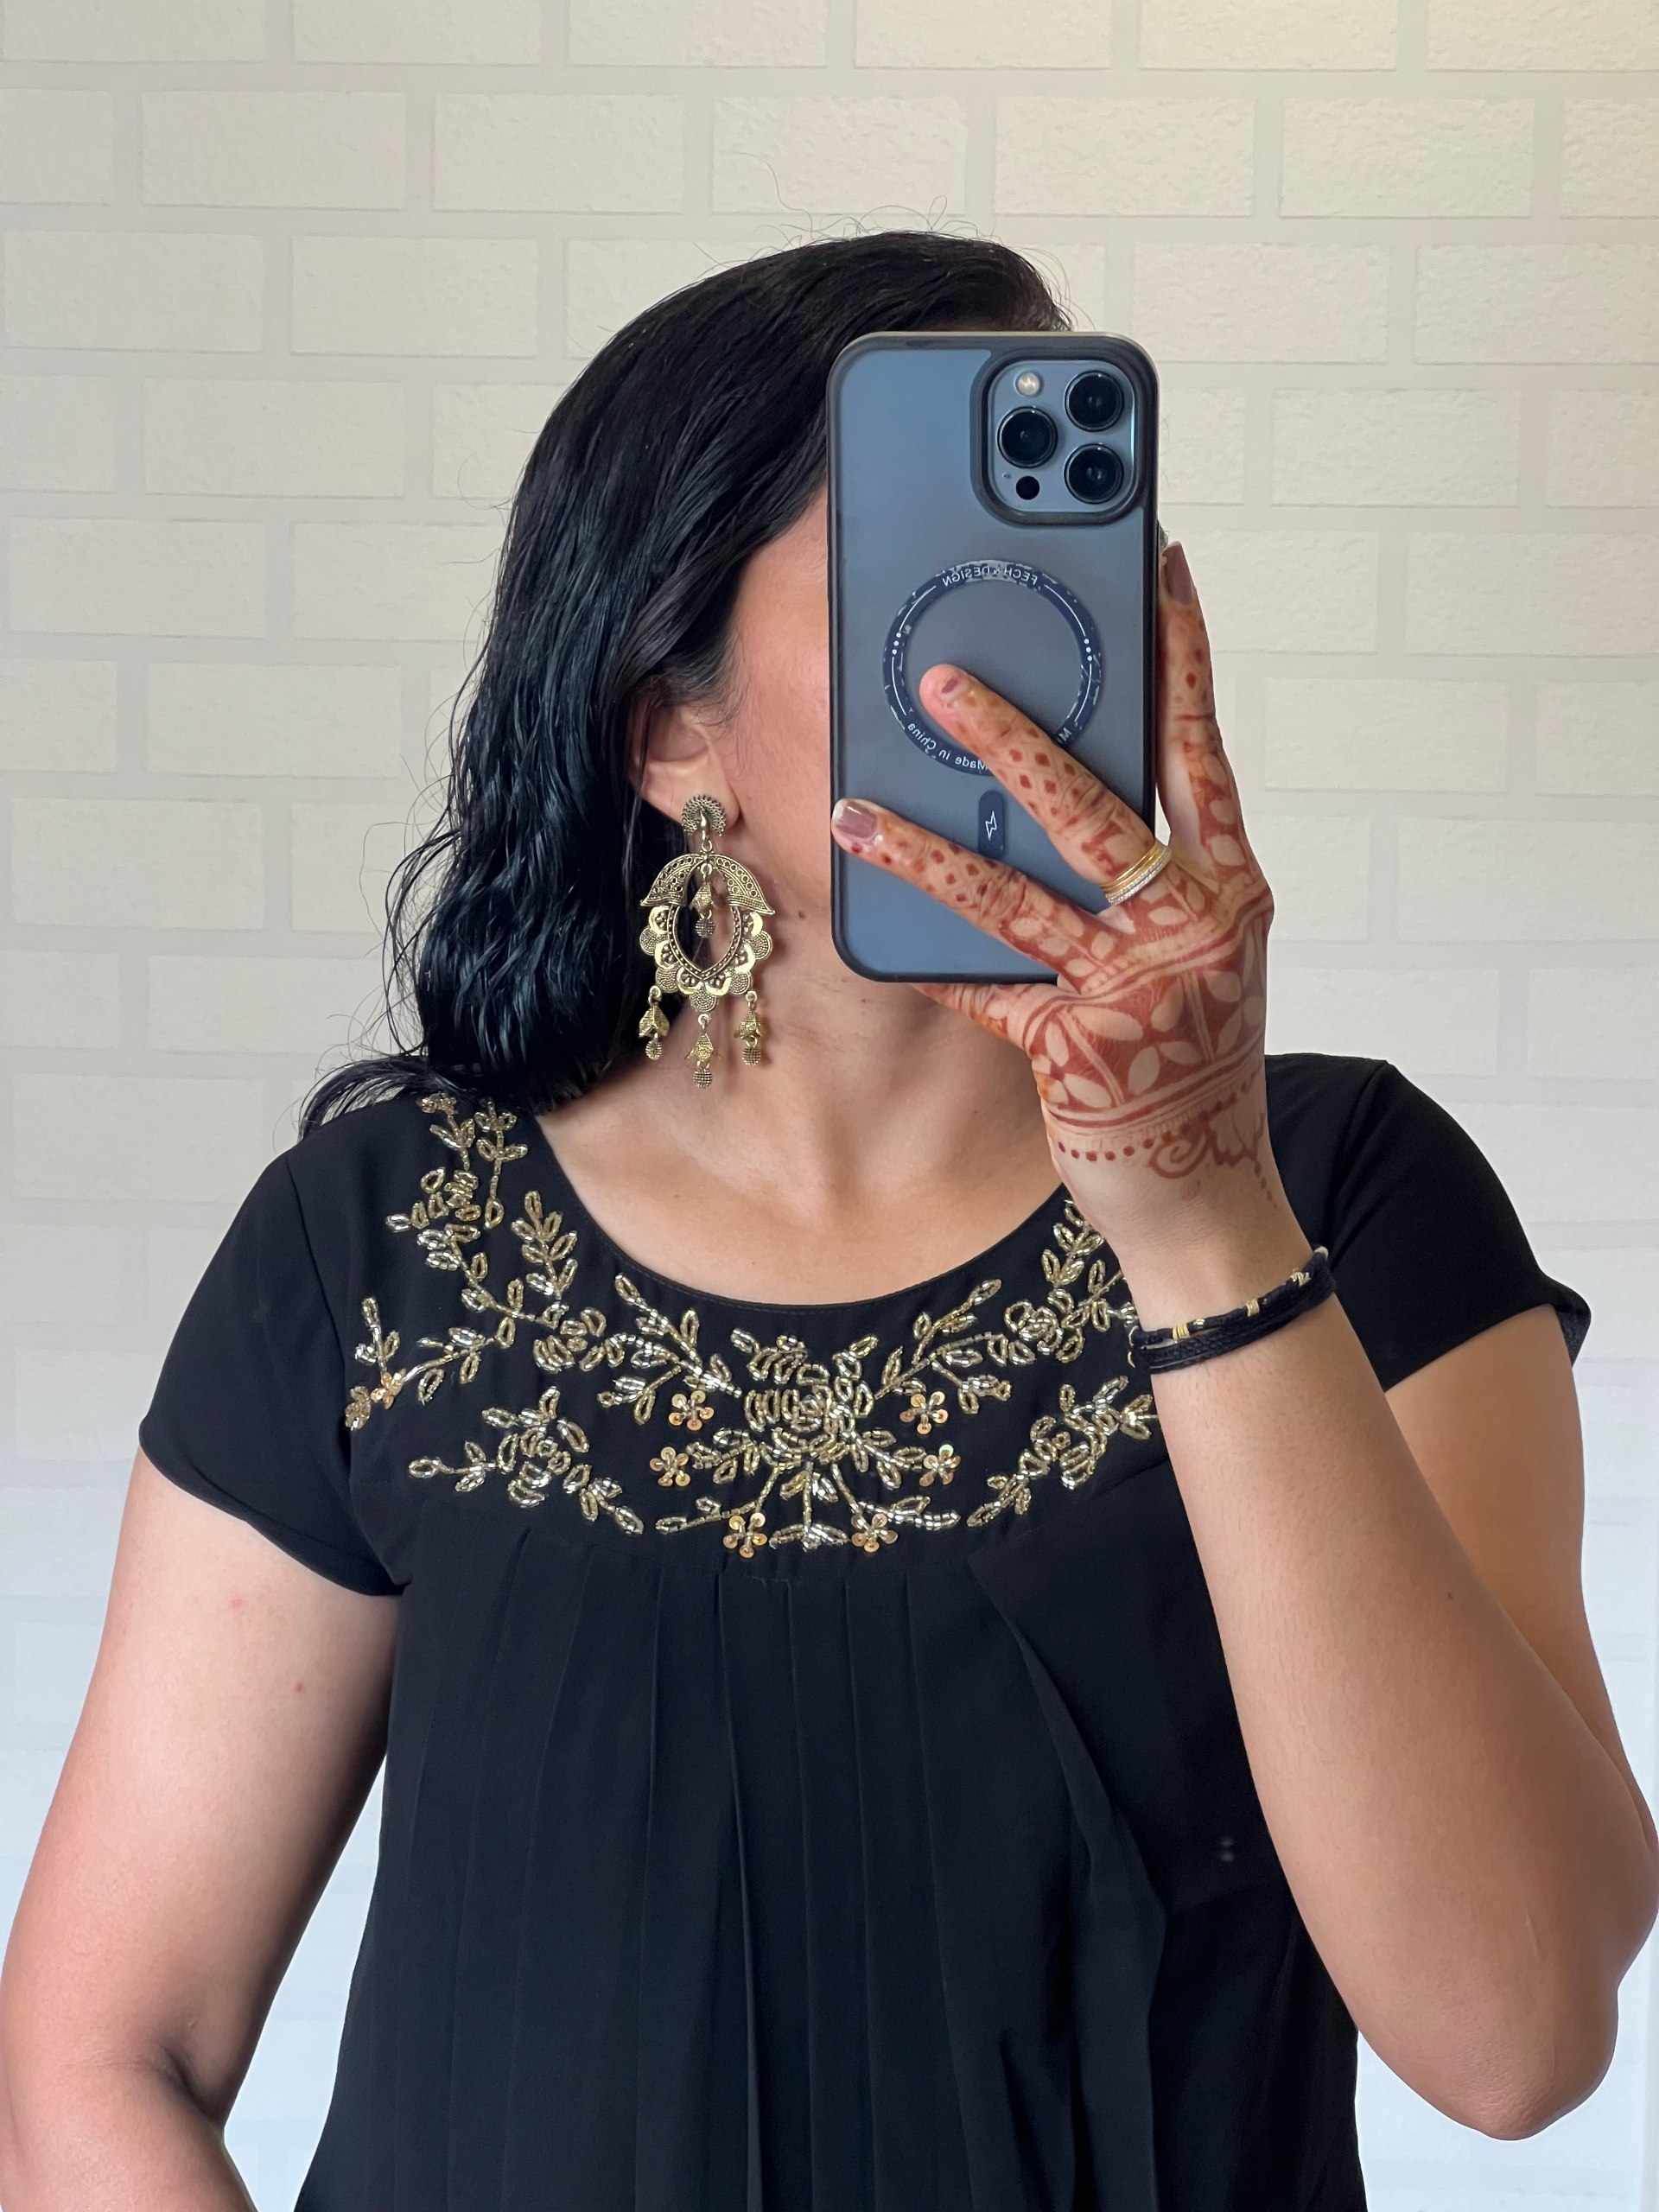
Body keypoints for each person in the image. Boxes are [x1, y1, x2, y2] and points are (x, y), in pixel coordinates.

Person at [0, 230, 1652, 2212]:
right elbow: (101, 2060)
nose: (1024, 631)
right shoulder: (384, 1246)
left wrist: (1204, 1217)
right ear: (668, 725)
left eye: (1073, 554)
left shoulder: (1349, 1195)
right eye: (927, 557)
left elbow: (1516, 2032)